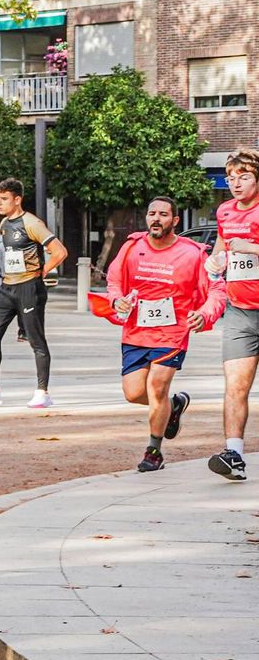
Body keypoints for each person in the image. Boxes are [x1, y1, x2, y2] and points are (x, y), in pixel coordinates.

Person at [101, 197, 225, 473]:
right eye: (152, 214)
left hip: (172, 333)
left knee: (156, 386)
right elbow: (114, 282)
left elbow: (216, 290)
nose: (156, 219)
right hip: (136, 331)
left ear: (175, 221)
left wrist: (204, 315)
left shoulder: (193, 253)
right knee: (134, 393)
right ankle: (174, 405)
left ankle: (153, 451)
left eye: (163, 214)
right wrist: (116, 300)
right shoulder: (132, 248)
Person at [0, 178, 67, 409]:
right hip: (6, 289)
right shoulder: (4, 223)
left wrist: (41, 272)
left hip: (29, 288)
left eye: (4, 199)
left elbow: (59, 252)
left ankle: (42, 392)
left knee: (36, 340)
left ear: (17, 199)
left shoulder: (32, 223)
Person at [207, 149, 259, 481]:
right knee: (235, 387)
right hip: (239, 311)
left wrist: (253, 248)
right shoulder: (225, 211)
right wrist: (214, 264)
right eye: (230, 178)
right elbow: (222, 248)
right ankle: (233, 454)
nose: (235, 184)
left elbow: (245, 248)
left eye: (243, 177)